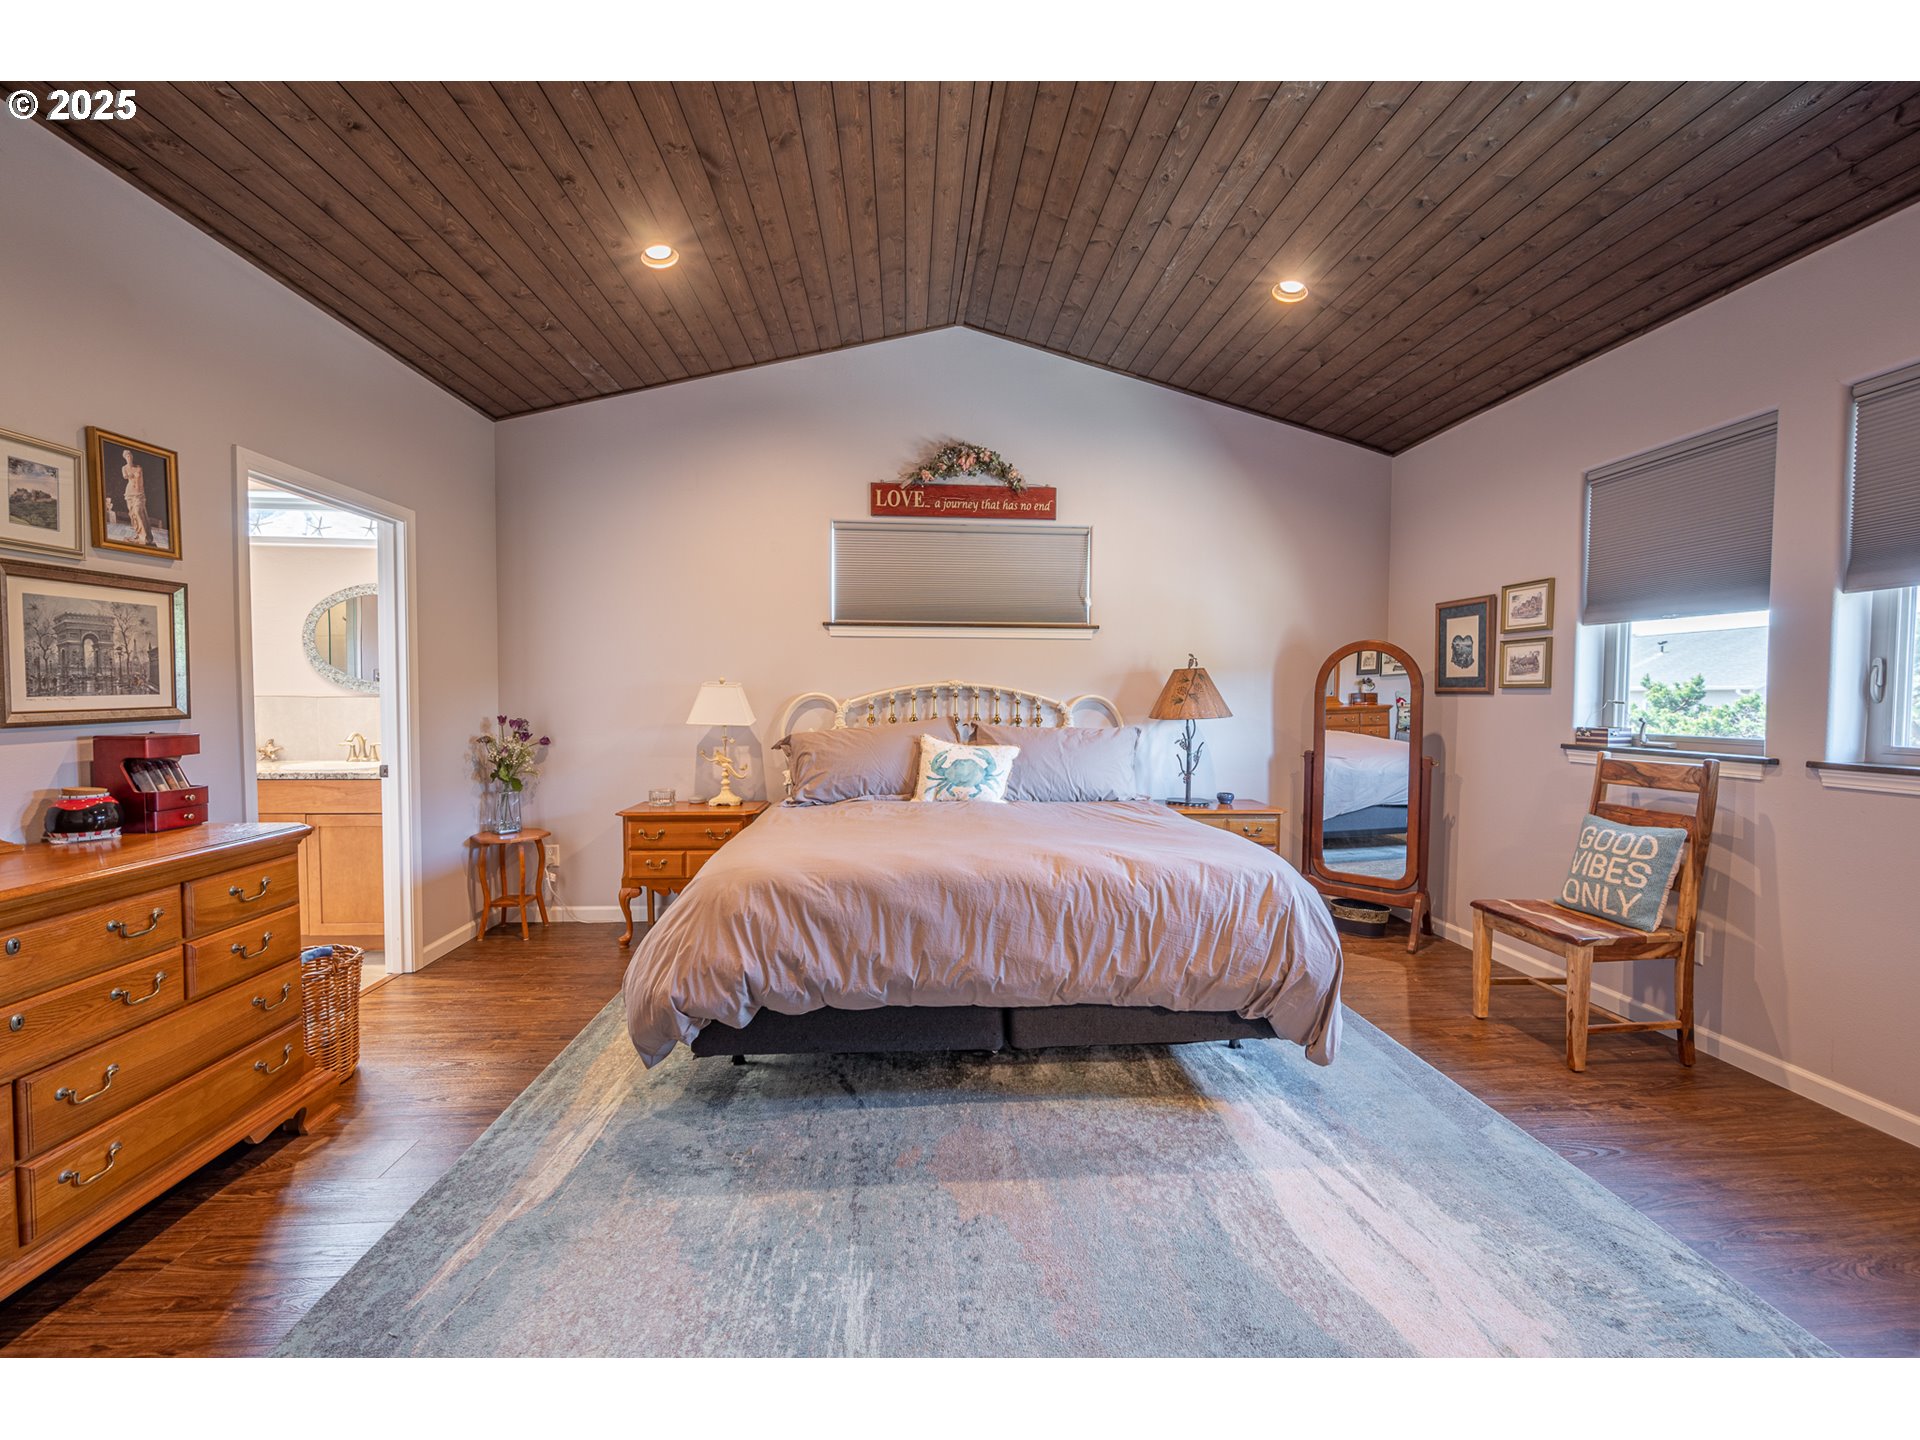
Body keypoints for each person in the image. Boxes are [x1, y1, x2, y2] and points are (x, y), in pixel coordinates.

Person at [119, 448, 150, 546]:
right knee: (133, 514)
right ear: (125, 458)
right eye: (126, 456)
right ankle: (138, 533)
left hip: (139, 493)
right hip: (129, 493)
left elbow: (140, 481)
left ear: (132, 456)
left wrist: (136, 475)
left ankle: (144, 536)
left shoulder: (138, 468)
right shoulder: (124, 468)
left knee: (138, 511)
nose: (129, 457)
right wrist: (132, 474)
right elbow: (125, 476)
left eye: (130, 455)